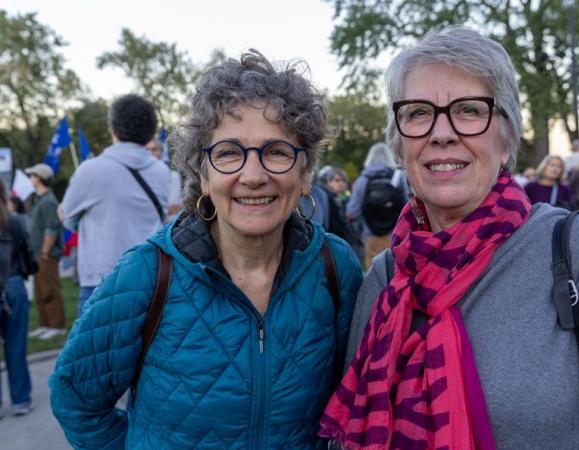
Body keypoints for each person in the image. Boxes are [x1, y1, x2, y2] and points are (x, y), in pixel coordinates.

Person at [320, 26, 579, 448]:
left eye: (468, 110)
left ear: (507, 137)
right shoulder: (385, 279)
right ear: (399, 144)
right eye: (418, 113)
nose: (441, 133)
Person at [50, 50, 363, 449]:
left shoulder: (336, 269)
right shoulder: (146, 274)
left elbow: (349, 401)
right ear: (203, 173)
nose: (253, 176)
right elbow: (75, 399)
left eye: (278, 152)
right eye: (229, 153)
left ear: (305, 174)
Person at [60, 94, 171, 315]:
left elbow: (68, 219)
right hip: (150, 278)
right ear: (150, 132)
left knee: (96, 350)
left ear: (113, 128)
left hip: (101, 280)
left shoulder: (90, 170)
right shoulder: (162, 171)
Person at [346, 143, 409, 268]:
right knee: (396, 274)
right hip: (396, 236)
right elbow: (409, 204)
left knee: (373, 277)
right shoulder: (398, 177)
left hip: (371, 236)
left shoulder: (363, 180)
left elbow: (351, 212)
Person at [0, 181, 33, 417]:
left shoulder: (13, 220)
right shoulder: (14, 220)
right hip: (13, 283)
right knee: (15, 346)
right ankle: (20, 399)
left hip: (10, 282)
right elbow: (27, 253)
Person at [24, 163, 65, 340]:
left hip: (45, 253)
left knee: (50, 289)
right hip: (38, 252)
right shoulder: (39, 199)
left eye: (32, 175)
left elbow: (51, 229)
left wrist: (46, 251)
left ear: (39, 178)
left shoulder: (48, 201)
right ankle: (45, 324)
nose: (30, 178)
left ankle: (56, 326)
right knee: (40, 290)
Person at [145, 137, 184, 222]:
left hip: (167, 226)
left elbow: (173, 206)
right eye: (147, 149)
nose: (150, 152)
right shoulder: (138, 175)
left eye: (154, 149)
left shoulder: (172, 176)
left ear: (161, 153)